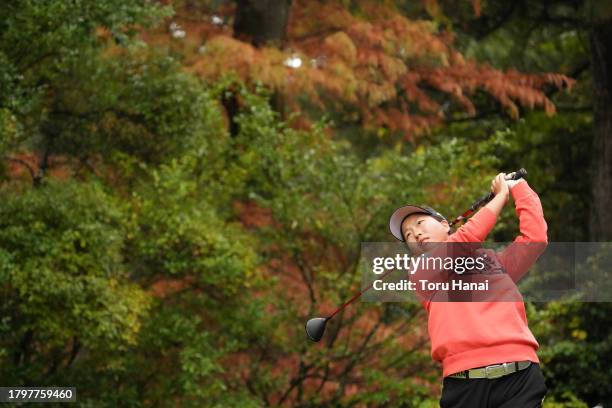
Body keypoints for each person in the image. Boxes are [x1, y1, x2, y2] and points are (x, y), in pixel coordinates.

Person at [388, 173, 548, 407]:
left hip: (520, 375)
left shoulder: (496, 263)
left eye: (419, 224)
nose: (416, 234)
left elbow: (535, 238)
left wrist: (519, 188)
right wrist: (500, 196)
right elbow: (466, 239)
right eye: (409, 236)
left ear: (445, 225)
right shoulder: (421, 271)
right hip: (464, 386)